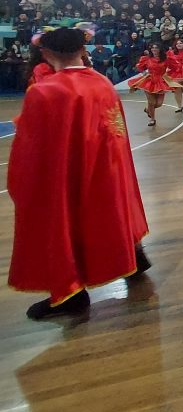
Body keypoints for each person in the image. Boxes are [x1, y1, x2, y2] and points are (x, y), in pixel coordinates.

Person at [7, 26, 150, 319]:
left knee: (63, 222)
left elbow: (33, 149)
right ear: (82, 50)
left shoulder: (46, 91)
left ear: (45, 53)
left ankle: (70, 292)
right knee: (111, 211)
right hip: (109, 167)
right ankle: (133, 257)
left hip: (72, 171)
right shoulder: (101, 82)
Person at [128, 42, 179, 127]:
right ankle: (152, 119)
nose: (154, 49)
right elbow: (139, 66)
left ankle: (148, 110)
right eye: (152, 48)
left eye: (156, 48)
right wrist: (144, 73)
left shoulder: (166, 59)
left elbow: (175, 67)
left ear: (160, 49)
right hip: (149, 81)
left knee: (158, 104)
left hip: (161, 81)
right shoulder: (147, 58)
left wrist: (167, 75)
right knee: (151, 102)